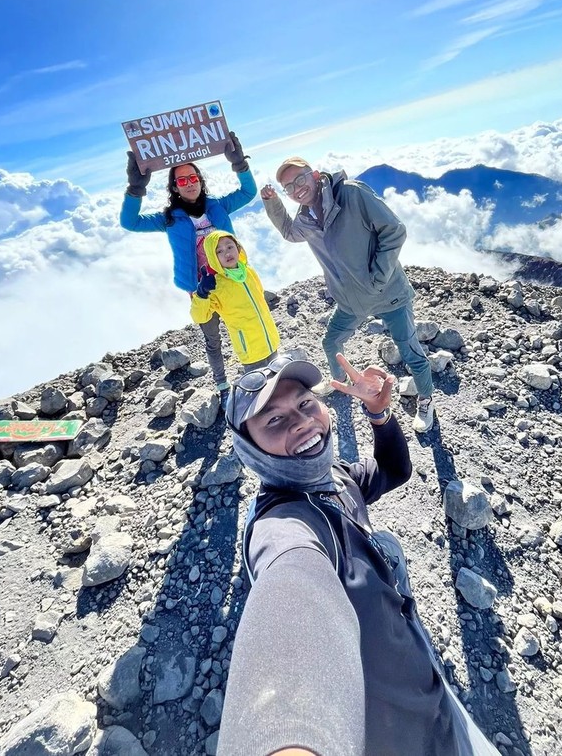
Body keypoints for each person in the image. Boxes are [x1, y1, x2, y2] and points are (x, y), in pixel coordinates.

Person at [217, 354, 498, 756]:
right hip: (409, 740)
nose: (301, 422)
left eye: (304, 403)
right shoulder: (284, 529)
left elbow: (393, 470)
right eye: (274, 421)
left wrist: (379, 415)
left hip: (436, 696)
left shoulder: (333, 479)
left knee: (389, 545)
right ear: (249, 449)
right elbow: (290, 593)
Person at [261, 158, 435, 432]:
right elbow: (289, 232)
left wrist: (378, 277)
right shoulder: (306, 217)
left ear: (315, 175)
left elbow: (394, 231)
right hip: (351, 300)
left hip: (388, 293)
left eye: (299, 180)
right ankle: (339, 381)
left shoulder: (352, 193)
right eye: (288, 187)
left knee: (410, 350)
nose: (296, 189)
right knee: (331, 342)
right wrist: (272, 202)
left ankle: (426, 399)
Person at [119, 133, 256, 390]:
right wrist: (135, 189)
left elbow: (248, 192)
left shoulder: (219, 206)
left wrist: (239, 164)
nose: (189, 183)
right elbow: (130, 222)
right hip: (200, 289)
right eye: (182, 180)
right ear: (175, 187)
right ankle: (221, 382)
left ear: (200, 181)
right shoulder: (169, 218)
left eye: (193, 178)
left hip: (232, 280)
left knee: (243, 326)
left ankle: (253, 373)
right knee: (213, 338)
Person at [190, 231, 280, 372]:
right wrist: (202, 294)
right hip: (251, 351)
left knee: (281, 381)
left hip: (271, 340)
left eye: (230, 247)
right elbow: (199, 317)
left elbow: (260, 295)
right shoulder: (216, 285)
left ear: (238, 248)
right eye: (219, 251)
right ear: (213, 258)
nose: (227, 253)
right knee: (262, 389)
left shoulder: (249, 272)